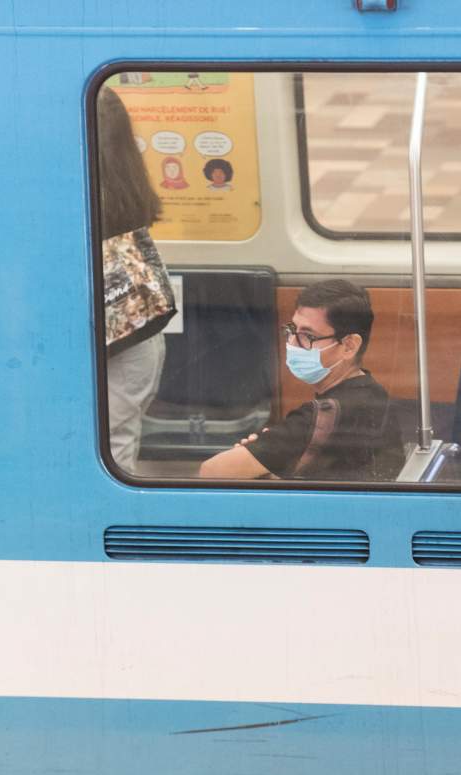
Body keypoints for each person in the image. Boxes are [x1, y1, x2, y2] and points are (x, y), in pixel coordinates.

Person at [199, 279, 405, 482]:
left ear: (349, 346)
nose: (292, 343)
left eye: (307, 336)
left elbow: (212, 472)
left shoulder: (324, 416)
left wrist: (255, 460)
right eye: (292, 330)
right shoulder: (372, 392)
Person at [98, 86, 172, 474]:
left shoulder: (95, 195)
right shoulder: (124, 186)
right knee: (118, 440)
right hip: (138, 335)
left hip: (123, 342)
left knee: (112, 446)